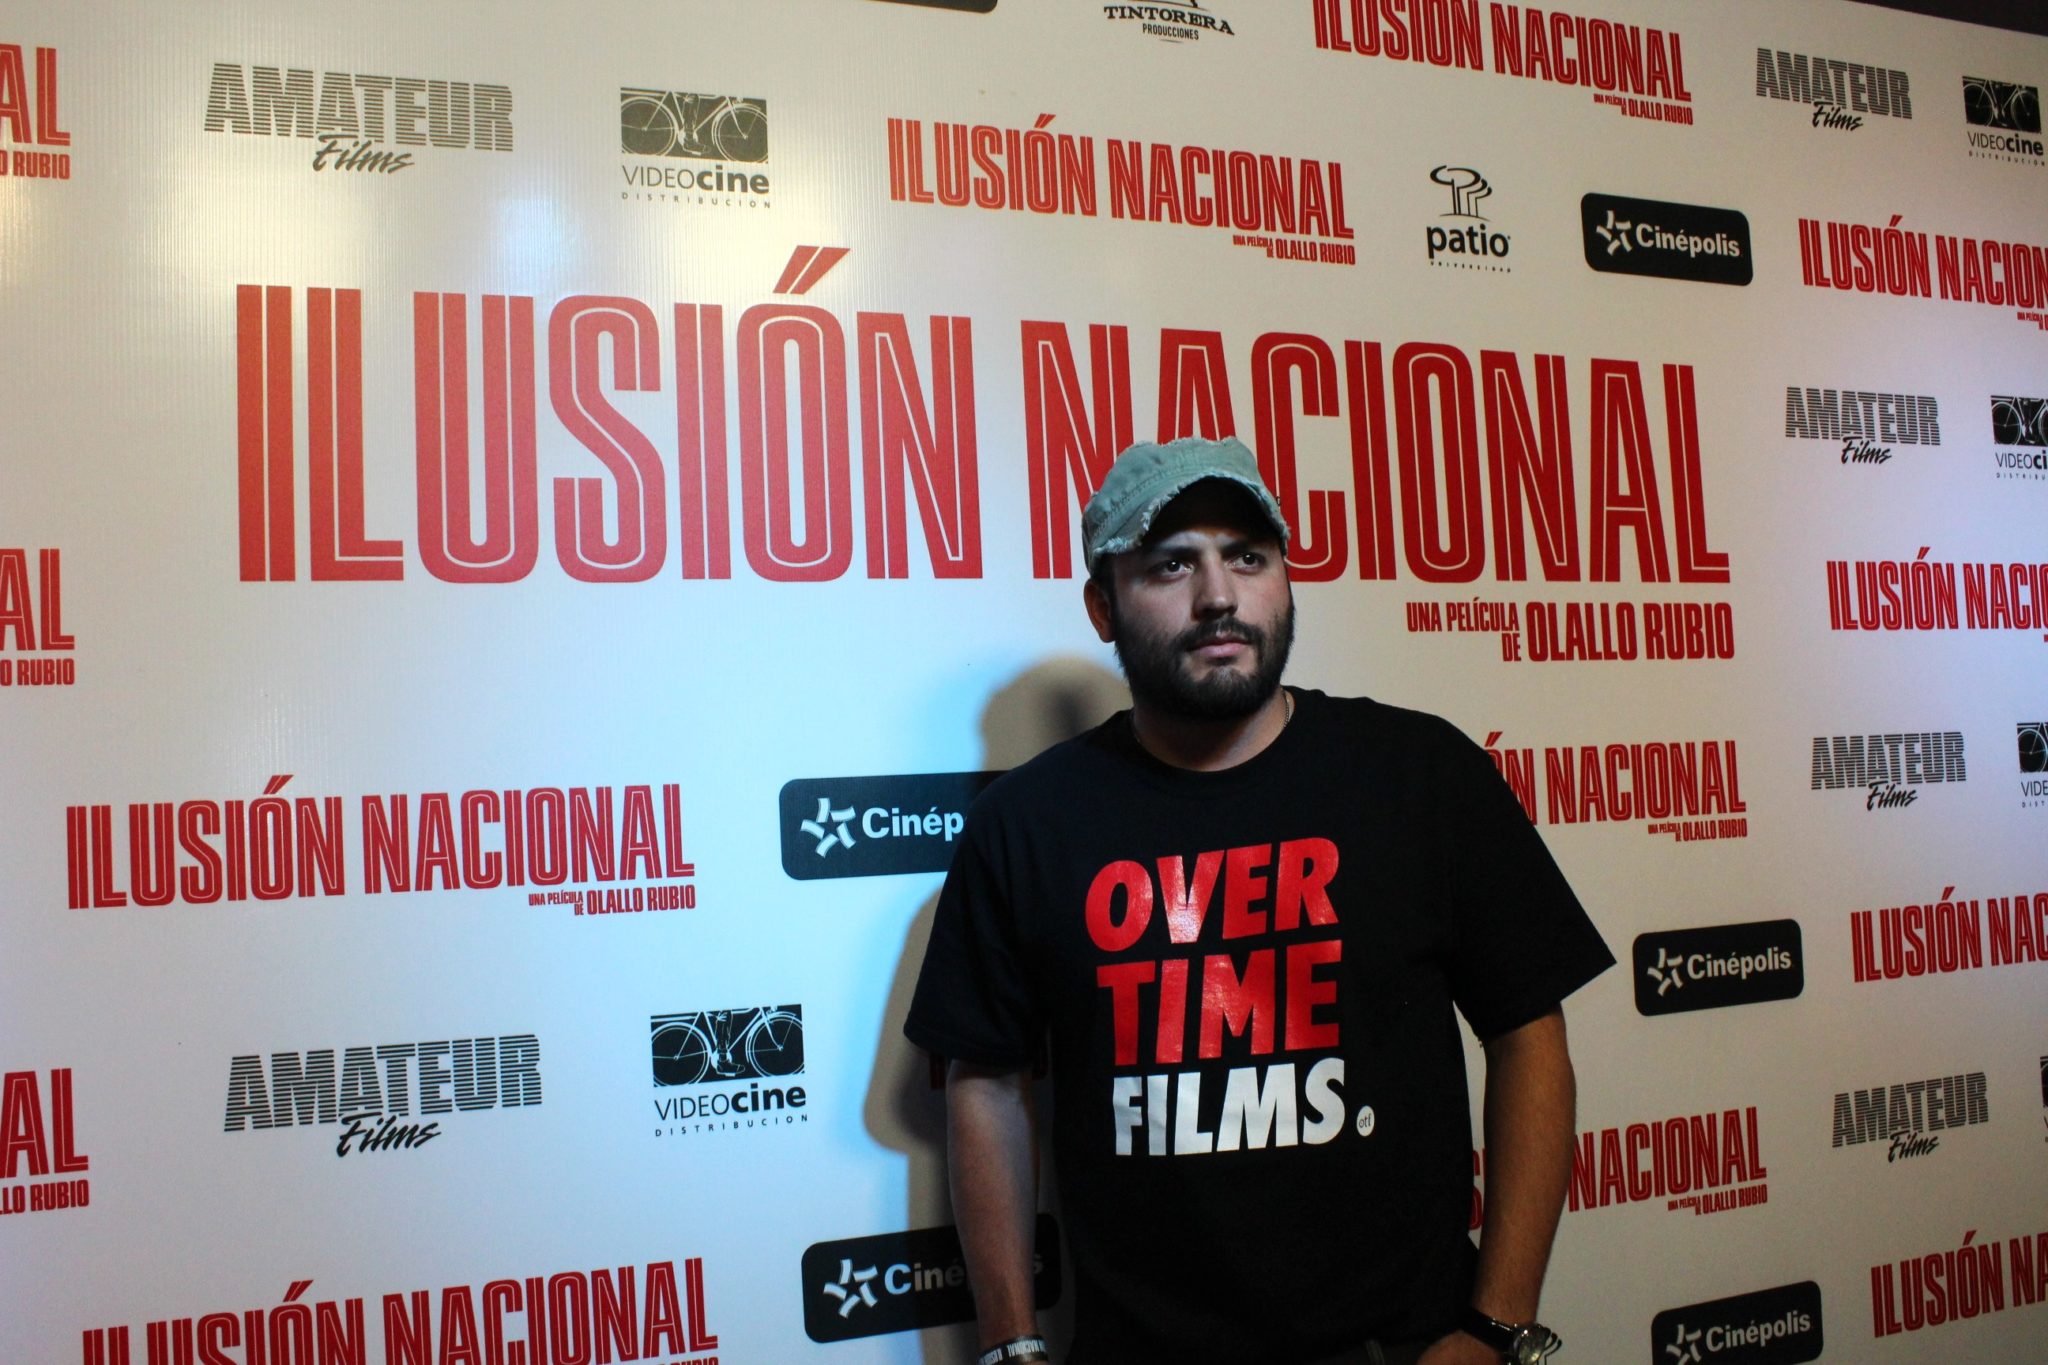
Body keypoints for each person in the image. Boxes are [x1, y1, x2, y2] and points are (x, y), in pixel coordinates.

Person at [905, 436, 1613, 1365]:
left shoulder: (1421, 775)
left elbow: (1529, 1034)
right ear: (1102, 605)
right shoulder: (1027, 824)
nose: (1219, 596)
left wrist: (1495, 1326)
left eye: (1248, 556)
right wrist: (1011, 1347)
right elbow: (988, 1084)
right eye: (1171, 564)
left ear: (1284, 579)